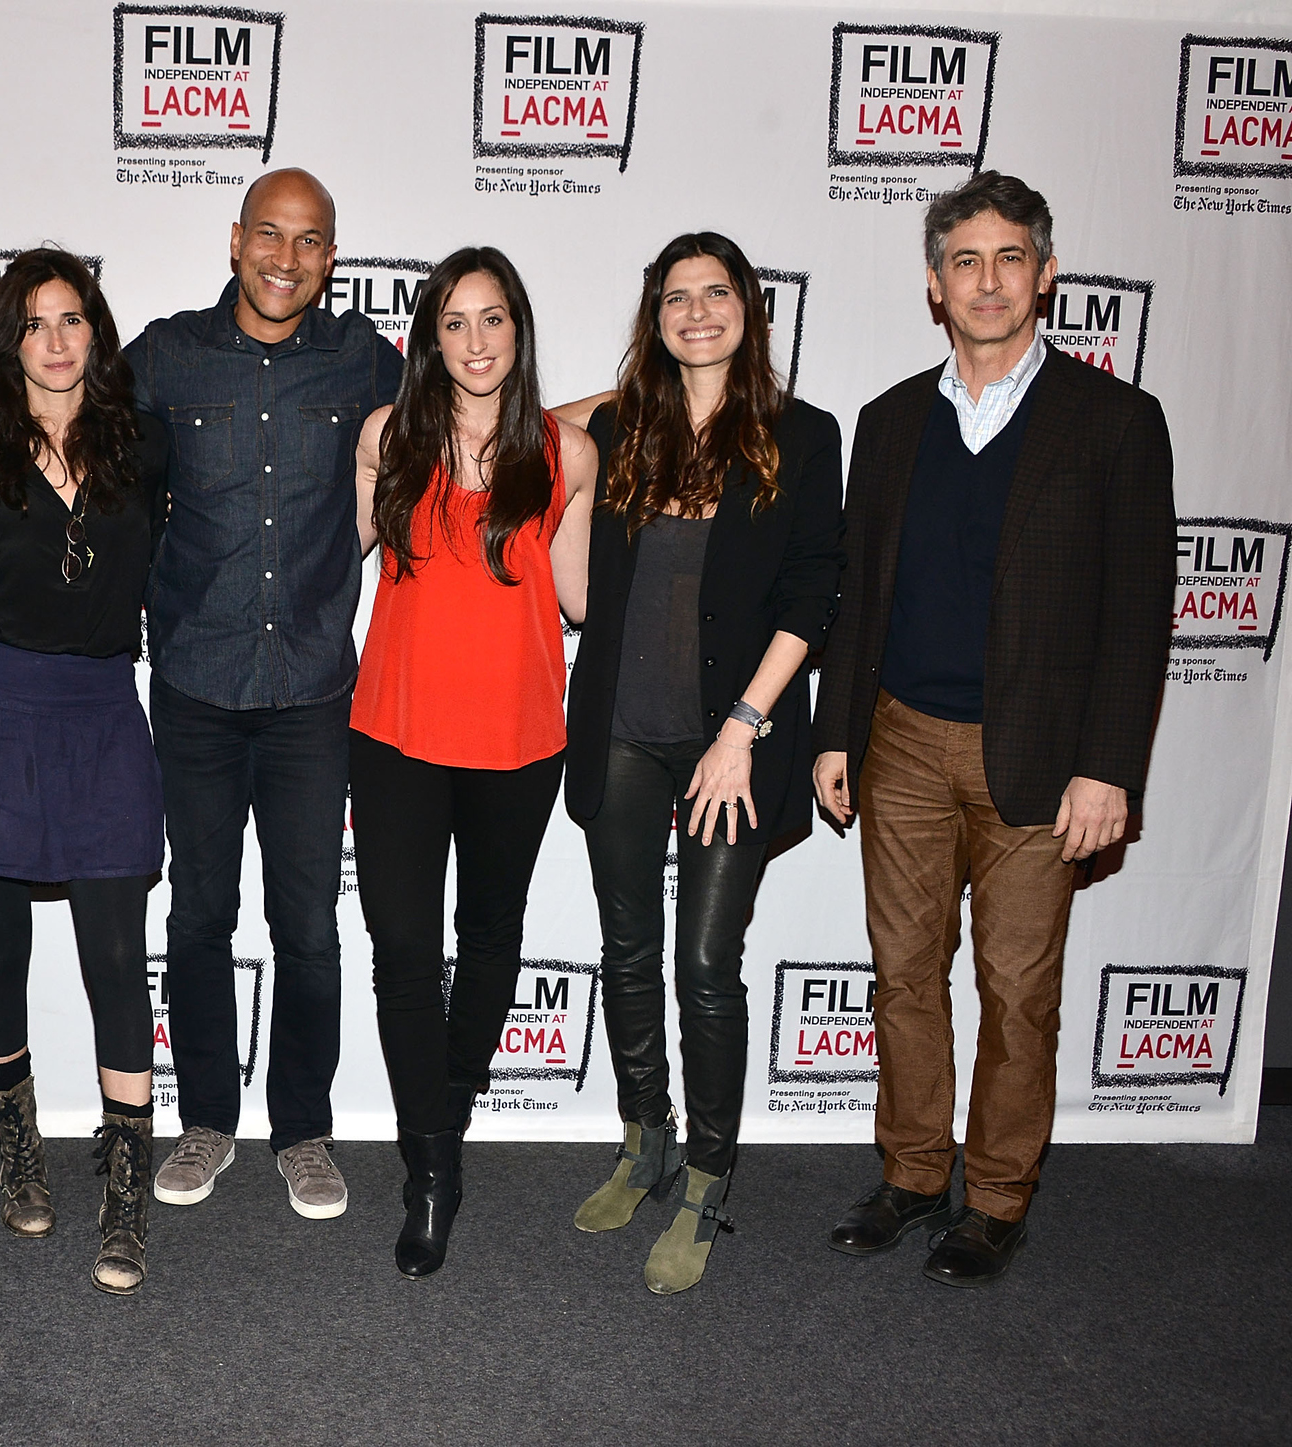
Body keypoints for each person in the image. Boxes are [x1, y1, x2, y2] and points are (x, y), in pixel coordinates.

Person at [812, 172, 1175, 1286]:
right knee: (901, 976)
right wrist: (835, 737)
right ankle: (914, 1177)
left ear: (1044, 274)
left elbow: (1137, 612)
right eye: (962, 261)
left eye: (1007, 257)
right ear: (933, 284)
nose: (985, 279)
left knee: (1018, 991)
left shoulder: (1113, 421)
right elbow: (854, 597)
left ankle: (998, 1197)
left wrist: (1107, 767)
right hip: (902, 740)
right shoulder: (884, 423)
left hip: (1039, 759)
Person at [552, 233, 844, 1295]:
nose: (695, 312)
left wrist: (741, 730)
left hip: (736, 738)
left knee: (703, 965)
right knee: (625, 950)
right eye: (673, 299)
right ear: (653, 318)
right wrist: (624, 390)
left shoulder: (803, 436)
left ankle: (709, 1175)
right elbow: (531, 429)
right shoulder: (620, 427)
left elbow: (814, 593)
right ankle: (646, 1137)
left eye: (714, 294)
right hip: (623, 727)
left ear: (748, 308)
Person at [125, 169, 404, 1220]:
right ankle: (204, 1119)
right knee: (196, 914)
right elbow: (77, 444)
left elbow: (480, 411)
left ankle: (303, 1129)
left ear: (331, 257)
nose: (286, 259)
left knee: (309, 925)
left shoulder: (364, 360)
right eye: (269, 236)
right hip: (193, 685)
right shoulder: (164, 354)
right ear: (235, 239)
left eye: (310, 241)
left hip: (311, 694)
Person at [0, 249, 168, 1294]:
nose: (54, 340)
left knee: (111, 955)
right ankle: (17, 1145)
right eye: (33, 322)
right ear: (8, 340)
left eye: (72, 319)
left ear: (96, 333)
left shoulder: (148, 444)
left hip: (98, 711)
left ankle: (126, 1192)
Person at [348, 247, 596, 1277]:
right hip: (395, 730)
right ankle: (430, 1171)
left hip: (517, 735)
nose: (476, 340)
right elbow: (338, 555)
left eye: (492, 319)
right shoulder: (385, 437)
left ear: (517, 330)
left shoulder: (567, 452)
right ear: (428, 338)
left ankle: (436, 1133)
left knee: (488, 936)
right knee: (403, 951)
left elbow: (577, 602)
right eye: (454, 322)